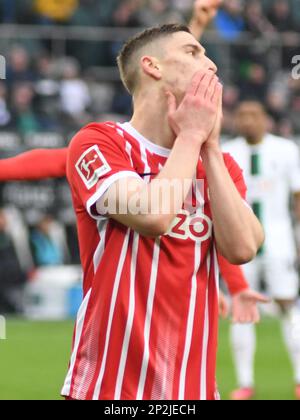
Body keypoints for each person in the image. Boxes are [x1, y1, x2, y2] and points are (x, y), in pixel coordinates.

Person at [61, 22, 263, 400]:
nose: (212, 64)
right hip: (110, 388)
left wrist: (211, 148)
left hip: (194, 389)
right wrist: (190, 136)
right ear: (152, 67)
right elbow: (153, 216)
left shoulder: (219, 164)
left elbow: (243, 248)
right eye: (193, 52)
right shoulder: (99, 143)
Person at [223, 101, 300, 401]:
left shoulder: (286, 150)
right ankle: (245, 382)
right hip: (239, 245)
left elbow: (297, 198)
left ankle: (298, 377)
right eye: (241, 114)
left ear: (266, 120)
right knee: (241, 309)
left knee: (287, 306)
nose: (247, 120)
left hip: (278, 241)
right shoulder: (227, 151)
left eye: (253, 114)